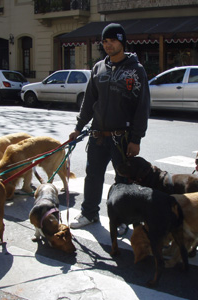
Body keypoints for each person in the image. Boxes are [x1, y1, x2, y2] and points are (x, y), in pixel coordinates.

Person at [68, 23, 151, 229]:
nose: (108, 45)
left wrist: (135, 139)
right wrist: (78, 127)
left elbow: (142, 107)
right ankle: (89, 214)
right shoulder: (98, 68)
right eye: (105, 41)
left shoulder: (136, 70)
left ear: (122, 42)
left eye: (112, 40)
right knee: (93, 176)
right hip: (97, 136)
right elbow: (89, 102)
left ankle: (122, 217)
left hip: (121, 138)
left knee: (123, 179)